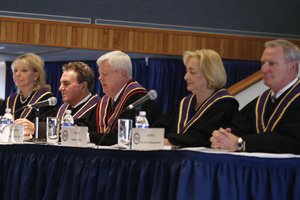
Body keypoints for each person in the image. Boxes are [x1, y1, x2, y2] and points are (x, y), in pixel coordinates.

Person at [210, 39, 300, 154]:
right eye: (263, 63)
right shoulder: (260, 102)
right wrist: (225, 136)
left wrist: (240, 143)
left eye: (272, 63)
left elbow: (291, 140)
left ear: (292, 67)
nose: (264, 69)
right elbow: (239, 128)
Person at [152, 49, 239, 148]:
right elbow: (159, 128)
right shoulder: (185, 103)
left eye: (192, 72)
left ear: (209, 75)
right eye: (186, 71)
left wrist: (166, 142)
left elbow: (200, 138)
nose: (185, 77)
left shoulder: (225, 106)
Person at [89, 50, 157, 145]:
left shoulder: (139, 99)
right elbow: (90, 127)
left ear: (123, 74)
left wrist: (88, 136)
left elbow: (124, 137)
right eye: (100, 74)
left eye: (104, 74)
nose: (100, 78)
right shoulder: (105, 101)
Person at [3, 53, 57, 138]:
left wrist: (35, 127)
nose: (17, 74)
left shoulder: (46, 99)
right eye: (15, 70)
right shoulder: (11, 99)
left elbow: (53, 127)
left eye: (24, 70)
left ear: (35, 75)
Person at [57, 61, 101, 130]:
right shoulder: (63, 109)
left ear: (83, 86)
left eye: (66, 84)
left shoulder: (98, 110)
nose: (60, 88)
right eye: (61, 83)